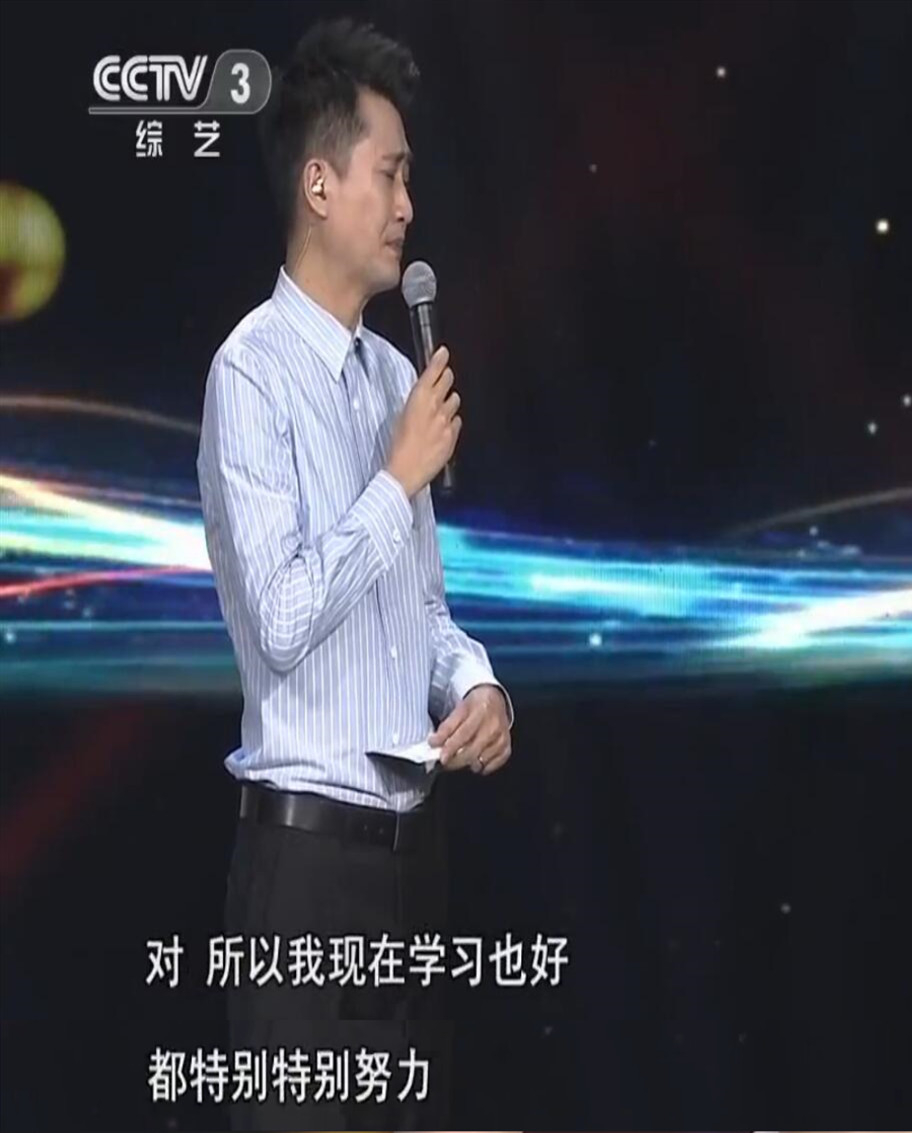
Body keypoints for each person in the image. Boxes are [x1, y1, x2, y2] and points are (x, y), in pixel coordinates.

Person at [196, 18, 513, 1131]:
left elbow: (421, 608)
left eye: (410, 180)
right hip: (305, 869)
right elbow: (282, 616)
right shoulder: (250, 374)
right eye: (391, 175)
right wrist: (395, 478)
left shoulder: (392, 376)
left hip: (411, 867)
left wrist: (477, 684)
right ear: (320, 185)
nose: (408, 206)